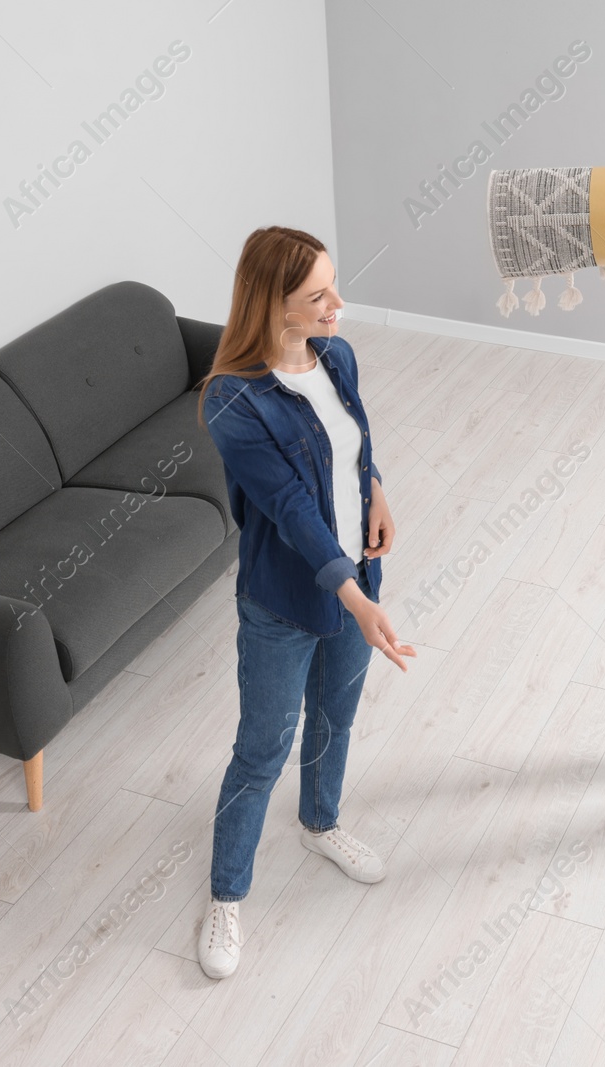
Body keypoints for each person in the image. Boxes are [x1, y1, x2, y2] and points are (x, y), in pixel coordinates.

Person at [194, 225, 416, 980]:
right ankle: (227, 893)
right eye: (318, 296)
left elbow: (355, 443)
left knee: (336, 716)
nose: (338, 305)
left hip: (359, 580)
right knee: (261, 748)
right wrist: (355, 597)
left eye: (334, 285)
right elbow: (289, 508)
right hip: (287, 602)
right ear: (271, 305)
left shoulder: (339, 356)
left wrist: (378, 491)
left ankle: (321, 820)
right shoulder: (233, 400)